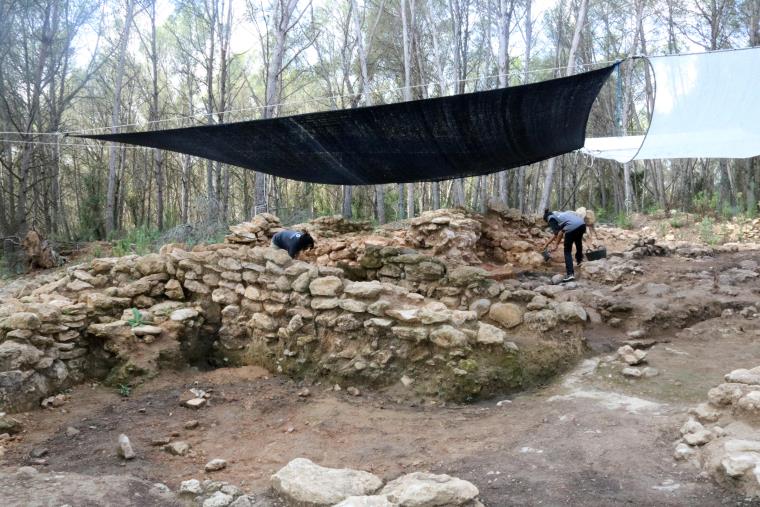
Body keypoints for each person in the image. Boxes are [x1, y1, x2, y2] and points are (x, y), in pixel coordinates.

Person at [541, 208, 586, 283]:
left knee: (567, 251)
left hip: (572, 227)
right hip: (582, 225)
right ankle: (579, 260)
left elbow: (557, 233)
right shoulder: (560, 215)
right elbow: (559, 233)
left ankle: (570, 274)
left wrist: (555, 245)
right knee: (578, 242)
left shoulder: (551, 218)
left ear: (547, 219)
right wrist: (546, 244)